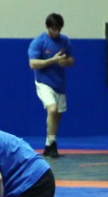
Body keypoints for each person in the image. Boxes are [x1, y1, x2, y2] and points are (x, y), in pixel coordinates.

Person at [28, 13, 74, 157]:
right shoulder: (39, 42)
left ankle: (48, 145)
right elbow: (32, 64)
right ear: (48, 27)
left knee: (57, 115)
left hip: (59, 84)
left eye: (59, 29)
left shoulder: (64, 41)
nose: (57, 32)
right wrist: (52, 60)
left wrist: (65, 62)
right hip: (44, 82)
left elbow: (71, 60)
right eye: (54, 29)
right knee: (52, 109)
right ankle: (53, 143)